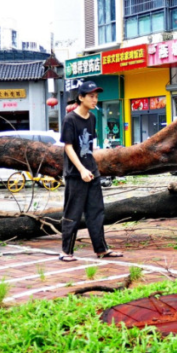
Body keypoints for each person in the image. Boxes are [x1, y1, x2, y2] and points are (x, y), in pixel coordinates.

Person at [59, 80, 123, 261]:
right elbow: (68, 147)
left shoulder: (92, 118)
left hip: (91, 171)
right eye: (91, 96)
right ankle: (66, 251)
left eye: (96, 97)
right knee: (73, 212)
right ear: (81, 98)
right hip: (75, 174)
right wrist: (80, 169)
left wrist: (92, 167)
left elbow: (89, 147)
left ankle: (101, 249)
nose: (95, 100)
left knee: (96, 211)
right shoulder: (70, 119)